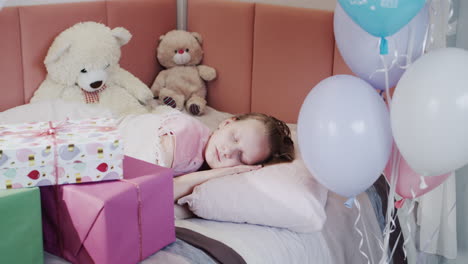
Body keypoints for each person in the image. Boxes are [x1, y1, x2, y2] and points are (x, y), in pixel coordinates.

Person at [118, 109, 295, 217]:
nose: (228, 151)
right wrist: (215, 173)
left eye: (240, 156)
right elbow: (145, 195)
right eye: (234, 137)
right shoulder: (186, 135)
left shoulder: (199, 159)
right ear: (226, 123)